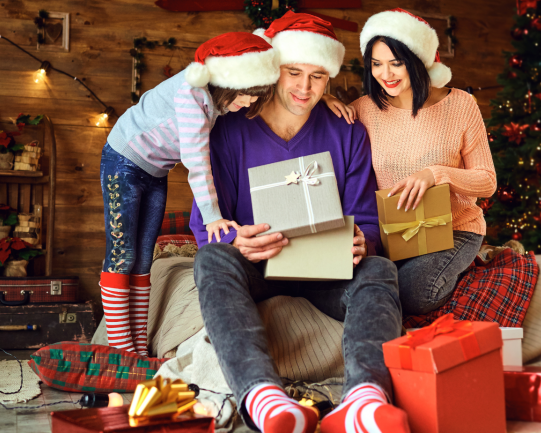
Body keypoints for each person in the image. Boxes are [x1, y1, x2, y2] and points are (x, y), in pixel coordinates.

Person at [190, 12, 410, 433]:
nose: (304, 88)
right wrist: (236, 240)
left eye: (318, 76)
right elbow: (207, 225)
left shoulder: (347, 131)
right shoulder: (229, 129)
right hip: (259, 265)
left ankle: (365, 399)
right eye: (294, 72)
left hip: (325, 271)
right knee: (212, 261)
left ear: (329, 79)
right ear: (275, 70)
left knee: (380, 269)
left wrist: (363, 241)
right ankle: (263, 397)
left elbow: (365, 217)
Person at [99, 32, 281, 355]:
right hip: (123, 161)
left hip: (155, 172)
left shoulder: (220, 101)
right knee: (122, 256)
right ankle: (121, 350)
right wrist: (213, 217)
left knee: (143, 261)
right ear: (227, 80)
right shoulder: (191, 96)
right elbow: (197, 161)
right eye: (246, 94)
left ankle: (139, 349)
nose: (250, 102)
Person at [351, 8, 497, 316]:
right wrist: (326, 100)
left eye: (396, 63)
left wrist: (436, 174)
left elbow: (487, 181)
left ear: (417, 59)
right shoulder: (364, 109)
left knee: (414, 295)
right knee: (369, 289)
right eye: (376, 64)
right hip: (396, 234)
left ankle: (477, 258)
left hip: (455, 229)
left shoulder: (460, 105)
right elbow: (318, 120)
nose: (385, 74)